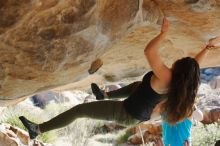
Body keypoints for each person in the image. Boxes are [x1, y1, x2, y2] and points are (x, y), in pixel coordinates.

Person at [19, 17, 220, 141]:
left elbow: (149, 51)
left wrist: (163, 33)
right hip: (138, 107)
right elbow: (194, 66)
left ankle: (38, 129)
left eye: (178, 62)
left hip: (127, 113)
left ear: (178, 70)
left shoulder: (167, 76)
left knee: (81, 110)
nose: (175, 62)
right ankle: (104, 95)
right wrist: (207, 48)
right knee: (138, 85)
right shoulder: (183, 83)